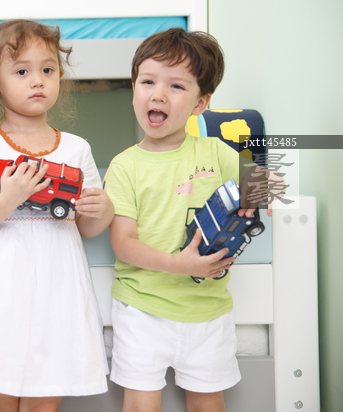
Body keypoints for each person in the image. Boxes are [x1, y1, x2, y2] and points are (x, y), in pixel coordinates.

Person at [0, 19, 114, 412]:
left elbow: (88, 227)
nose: (37, 81)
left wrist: (103, 210)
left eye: (47, 70)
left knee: (43, 402)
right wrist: (9, 197)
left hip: (57, 286)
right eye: (21, 72)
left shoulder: (76, 149)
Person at [104, 27, 271, 412]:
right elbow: (123, 244)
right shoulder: (125, 166)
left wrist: (252, 196)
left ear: (200, 103)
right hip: (141, 308)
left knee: (208, 405)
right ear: (134, 89)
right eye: (147, 82)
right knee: (140, 406)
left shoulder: (216, 152)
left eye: (176, 86)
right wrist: (178, 264)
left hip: (207, 309)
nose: (158, 94)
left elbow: (265, 182)